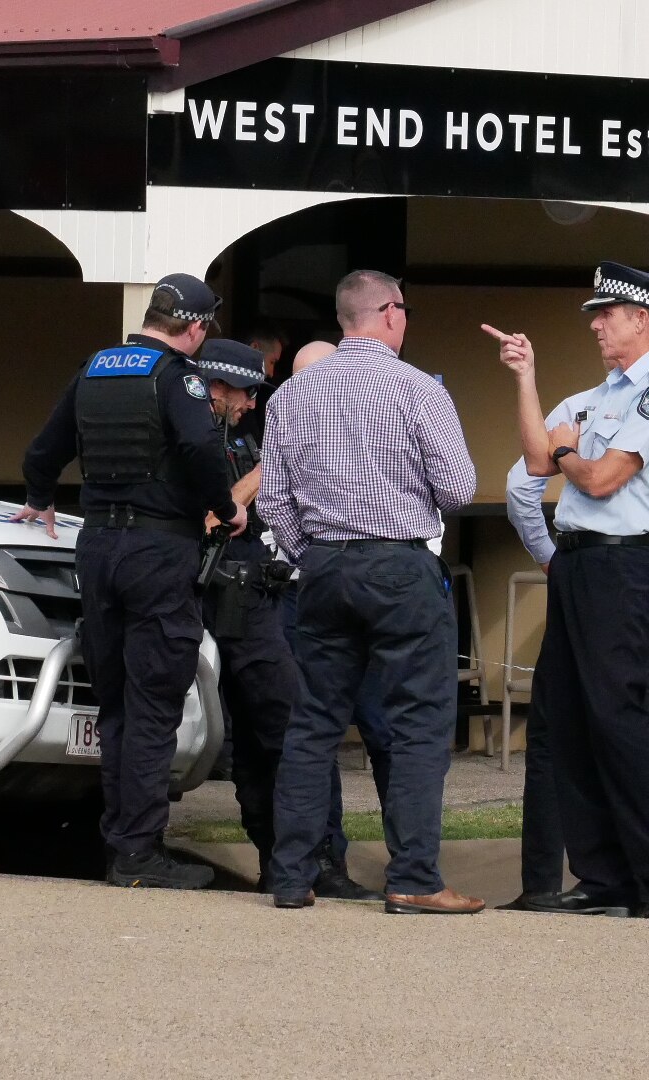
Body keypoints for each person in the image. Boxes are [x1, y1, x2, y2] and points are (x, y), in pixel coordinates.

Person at [258, 269, 483, 915]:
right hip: (400, 566)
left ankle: (292, 877)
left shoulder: (292, 394)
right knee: (418, 725)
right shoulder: (418, 388)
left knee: (313, 726)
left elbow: (273, 499)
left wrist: (311, 555)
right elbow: (458, 488)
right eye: (404, 309)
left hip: (324, 567)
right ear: (388, 312)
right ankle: (413, 877)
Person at [483, 261, 649, 920]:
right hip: (578, 563)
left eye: (606, 314)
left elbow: (600, 478)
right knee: (566, 719)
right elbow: (536, 458)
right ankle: (604, 876)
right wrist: (526, 378)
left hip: (619, 564)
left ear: (642, 319)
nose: (596, 325)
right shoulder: (601, 394)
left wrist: (567, 454)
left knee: (620, 720)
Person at [14, 273, 245, 889]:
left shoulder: (94, 369)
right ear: (194, 327)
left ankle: (119, 844)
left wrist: (39, 496)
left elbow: (44, 449)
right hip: (158, 552)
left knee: (114, 703)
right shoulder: (179, 377)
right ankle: (139, 853)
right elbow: (199, 448)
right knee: (153, 704)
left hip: (97, 550)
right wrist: (225, 507)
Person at [500, 394, 649, 913]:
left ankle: (552, 883)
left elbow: (520, 487)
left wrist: (552, 558)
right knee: (648, 736)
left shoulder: (582, 407)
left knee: (562, 731)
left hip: (604, 575)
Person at [194, 338, 379, 901]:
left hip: (276, 596)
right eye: (247, 393)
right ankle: (279, 861)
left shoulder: (264, 434)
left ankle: (322, 862)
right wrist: (265, 471)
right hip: (223, 597)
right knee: (258, 742)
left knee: (291, 730)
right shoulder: (195, 435)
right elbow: (211, 517)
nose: (255, 403)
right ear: (216, 386)